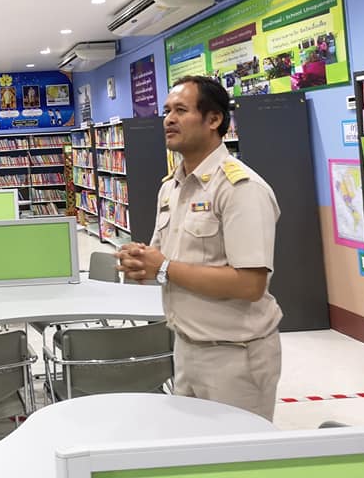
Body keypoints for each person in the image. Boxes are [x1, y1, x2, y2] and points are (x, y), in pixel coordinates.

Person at [116, 75, 282, 421]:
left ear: (214, 119)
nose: (168, 119)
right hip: (185, 346)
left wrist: (163, 267)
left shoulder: (240, 188)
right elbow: (168, 262)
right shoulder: (172, 187)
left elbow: (250, 284)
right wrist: (142, 262)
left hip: (234, 354)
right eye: (166, 111)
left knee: (236, 450)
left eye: (181, 110)